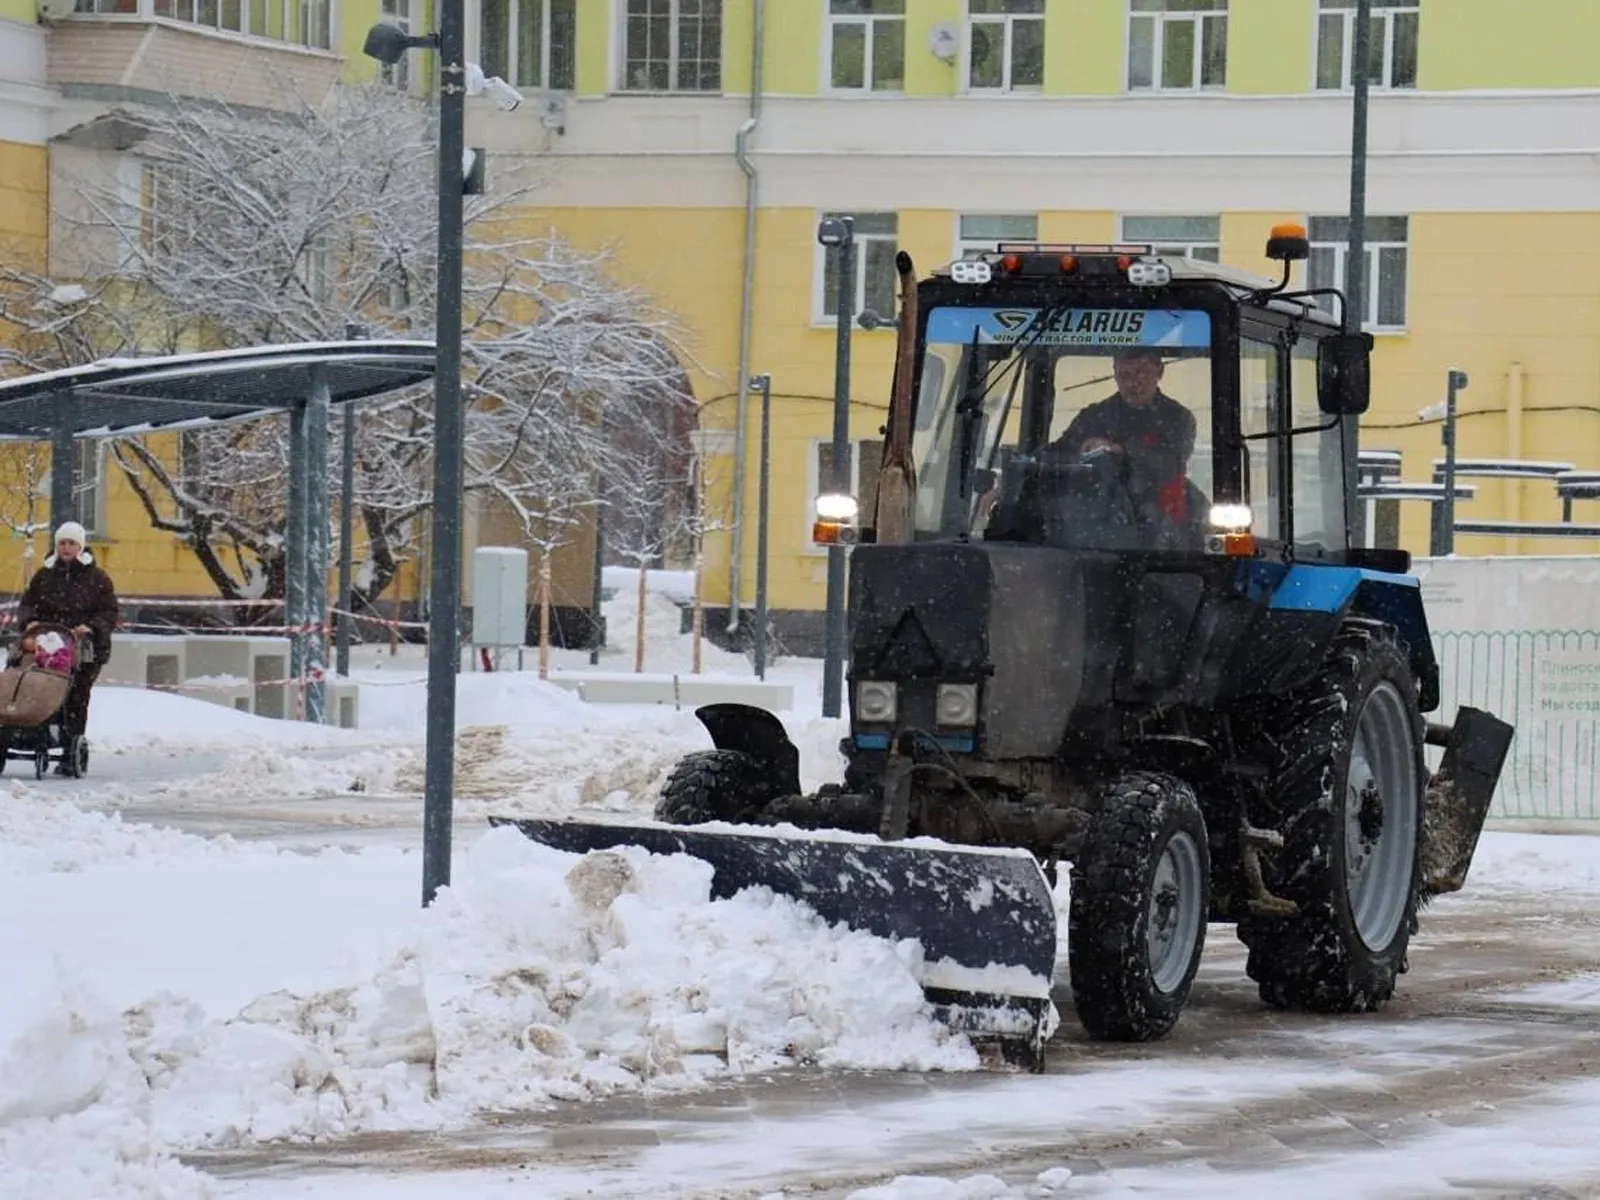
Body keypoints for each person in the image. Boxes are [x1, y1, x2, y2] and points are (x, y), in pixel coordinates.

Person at [1051, 348, 1199, 525]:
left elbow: (1171, 463)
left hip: (1161, 521)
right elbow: (1059, 453)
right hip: (1095, 516)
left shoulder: (1178, 417)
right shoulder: (1094, 416)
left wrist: (1120, 451)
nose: (1133, 383)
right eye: (1125, 375)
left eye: (1142, 373)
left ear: (1159, 372)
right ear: (1114, 373)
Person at [16, 521, 118, 764]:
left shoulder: (97, 578)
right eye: (62, 543)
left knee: (75, 696)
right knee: (35, 686)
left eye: (72, 543)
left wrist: (90, 627)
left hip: (83, 648)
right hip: (47, 642)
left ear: (81, 547)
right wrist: (30, 621)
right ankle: (28, 729)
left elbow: (108, 612)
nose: (66, 548)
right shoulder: (44, 575)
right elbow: (28, 603)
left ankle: (71, 742)